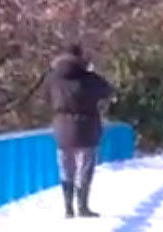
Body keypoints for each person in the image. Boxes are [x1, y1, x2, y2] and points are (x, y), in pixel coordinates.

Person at [47, 44, 114, 218]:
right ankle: (83, 207)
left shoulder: (53, 78)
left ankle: (68, 208)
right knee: (84, 167)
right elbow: (108, 91)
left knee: (65, 167)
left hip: (61, 126)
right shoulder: (89, 78)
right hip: (87, 126)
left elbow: (46, 98)